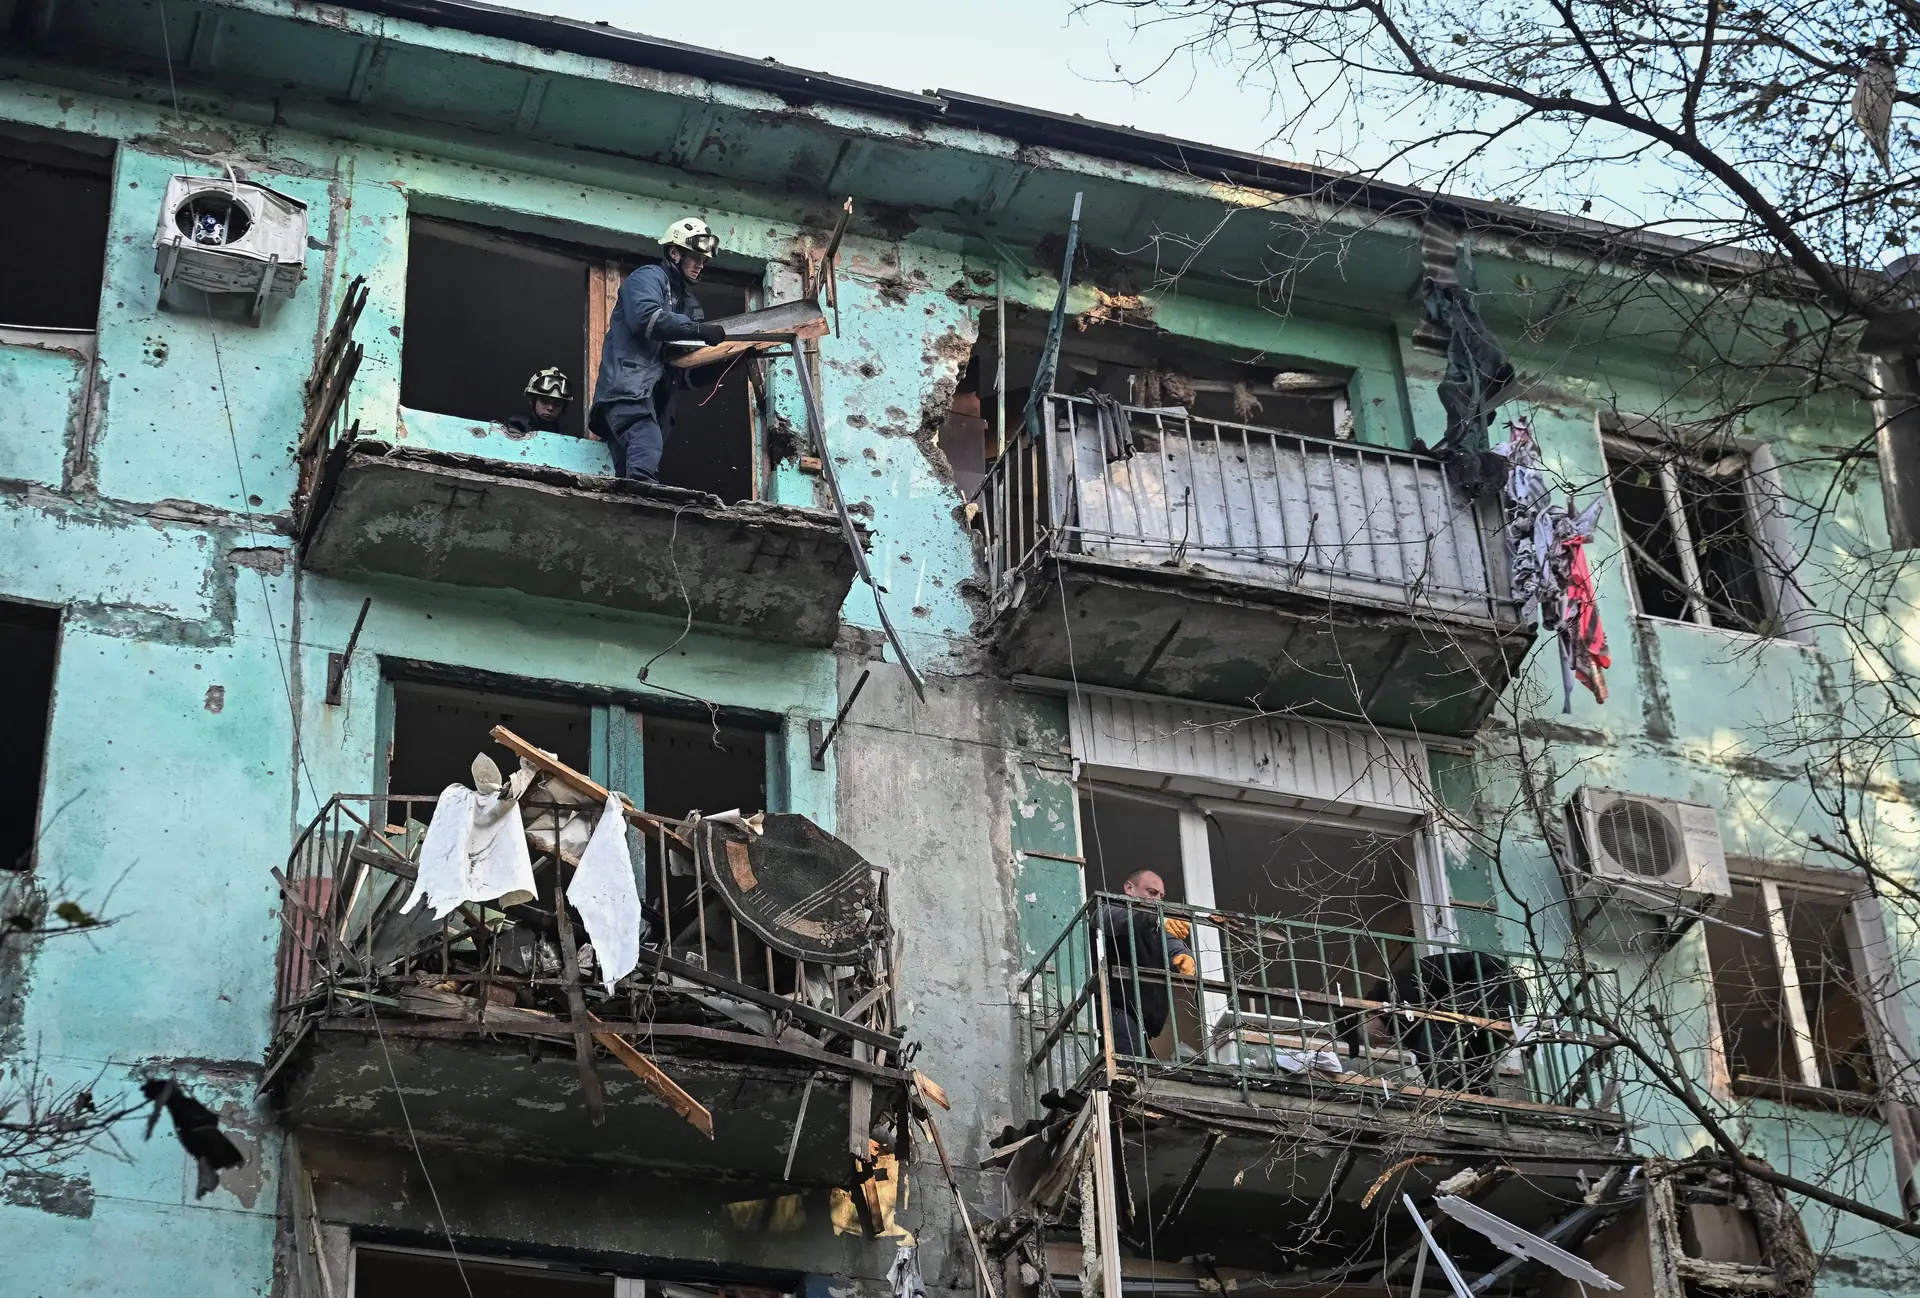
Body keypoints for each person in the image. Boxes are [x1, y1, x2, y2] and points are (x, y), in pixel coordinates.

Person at [588, 217, 729, 482]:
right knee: (645, 442)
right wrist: (698, 330)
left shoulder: (687, 303)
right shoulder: (648, 277)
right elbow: (646, 318)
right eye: (695, 257)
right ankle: (645, 497)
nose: (700, 265)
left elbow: (684, 370)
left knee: (628, 473)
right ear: (674, 253)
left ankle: (633, 502)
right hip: (628, 391)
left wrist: (728, 360)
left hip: (647, 400)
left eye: (704, 260)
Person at [1098, 868, 1197, 1060]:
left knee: (1142, 1072)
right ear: (1129, 888)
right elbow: (1109, 919)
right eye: (1152, 893)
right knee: (1129, 1069)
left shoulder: (1154, 927)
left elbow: (1167, 939)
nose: (1158, 900)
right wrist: (1156, 917)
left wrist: (1182, 954)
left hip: (1139, 1023)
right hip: (1114, 1011)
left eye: (1161, 896)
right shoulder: (1110, 908)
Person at [505, 367, 572, 434]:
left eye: (557, 404)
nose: (550, 408)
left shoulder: (566, 436)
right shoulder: (515, 426)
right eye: (545, 401)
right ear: (532, 401)